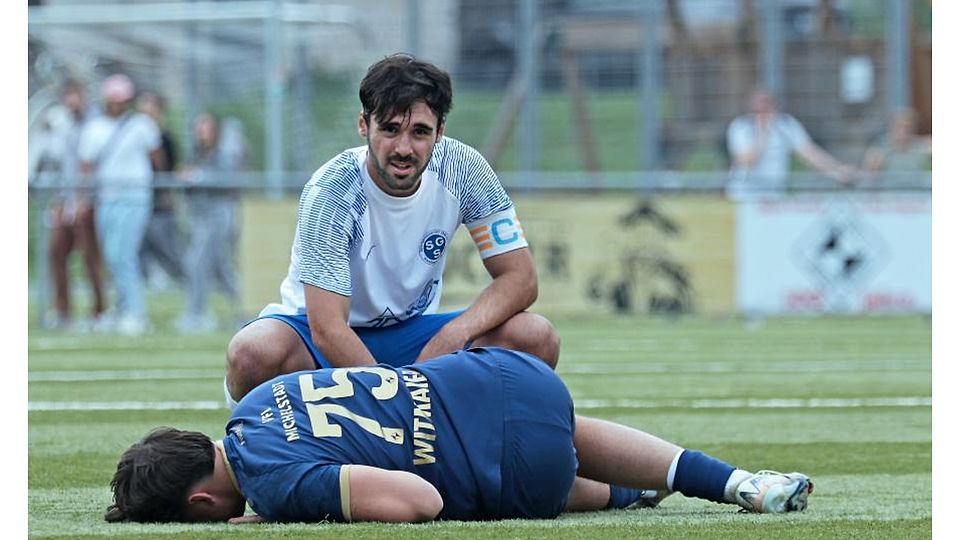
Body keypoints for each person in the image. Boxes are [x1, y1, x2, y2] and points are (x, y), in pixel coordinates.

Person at [105, 347, 813, 523]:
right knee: (555, 428)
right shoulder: (256, 399)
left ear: (201, 506)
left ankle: (624, 495)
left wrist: (276, 515)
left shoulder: (271, 483)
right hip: (507, 376)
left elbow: (418, 502)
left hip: (518, 463)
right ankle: (738, 482)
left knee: (481, 476)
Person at [224, 54, 559, 405]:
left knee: (535, 337)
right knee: (252, 352)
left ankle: (478, 447)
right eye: (390, 128)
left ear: (440, 131)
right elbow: (327, 328)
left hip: (413, 336)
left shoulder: (464, 169)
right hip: (315, 338)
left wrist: (452, 336)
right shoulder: (332, 190)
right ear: (363, 125)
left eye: (419, 132)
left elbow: (521, 279)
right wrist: (396, 401)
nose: (403, 148)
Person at [77, 74, 163, 335]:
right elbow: (87, 164)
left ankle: (135, 313)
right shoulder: (94, 128)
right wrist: (82, 198)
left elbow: (156, 157)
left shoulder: (141, 125)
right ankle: (122, 308)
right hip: (107, 198)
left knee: (122, 254)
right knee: (112, 256)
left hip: (135, 197)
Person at [39, 80, 107, 330]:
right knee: (56, 252)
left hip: (90, 202)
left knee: (91, 259)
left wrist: (81, 201)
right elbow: (59, 165)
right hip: (65, 200)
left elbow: (91, 166)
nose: (71, 102)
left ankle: (99, 311)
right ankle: (62, 310)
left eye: (75, 96)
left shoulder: (97, 125)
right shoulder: (63, 126)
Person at [174, 112, 243, 333]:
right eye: (199, 127)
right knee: (220, 269)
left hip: (218, 216)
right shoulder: (196, 153)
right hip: (200, 217)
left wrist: (197, 176)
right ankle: (249, 307)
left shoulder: (223, 152)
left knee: (196, 263)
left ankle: (196, 314)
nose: (202, 132)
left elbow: (227, 180)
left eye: (206, 127)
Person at [726, 87, 857, 198]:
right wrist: (763, 133)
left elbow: (809, 153)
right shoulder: (741, 127)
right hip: (744, 195)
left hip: (774, 196)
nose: (763, 111)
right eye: (759, 107)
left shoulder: (786, 124)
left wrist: (837, 170)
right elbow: (748, 161)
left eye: (767, 104)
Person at [137, 91, 187, 291]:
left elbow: (170, 169)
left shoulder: (166, 139)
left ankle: (189, 285)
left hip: (160, 206)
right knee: (139, 251)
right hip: (139, 203)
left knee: (169, 251)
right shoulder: (135, 135)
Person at [862, 109, 932, 178]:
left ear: (913, 129)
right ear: (891, 127)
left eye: (907, 127)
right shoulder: (879, 148)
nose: (903, 131)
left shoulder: (922, 145)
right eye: (899, 126)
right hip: (890, 188)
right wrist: (873, 168)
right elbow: (868, 176)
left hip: (916, 187)